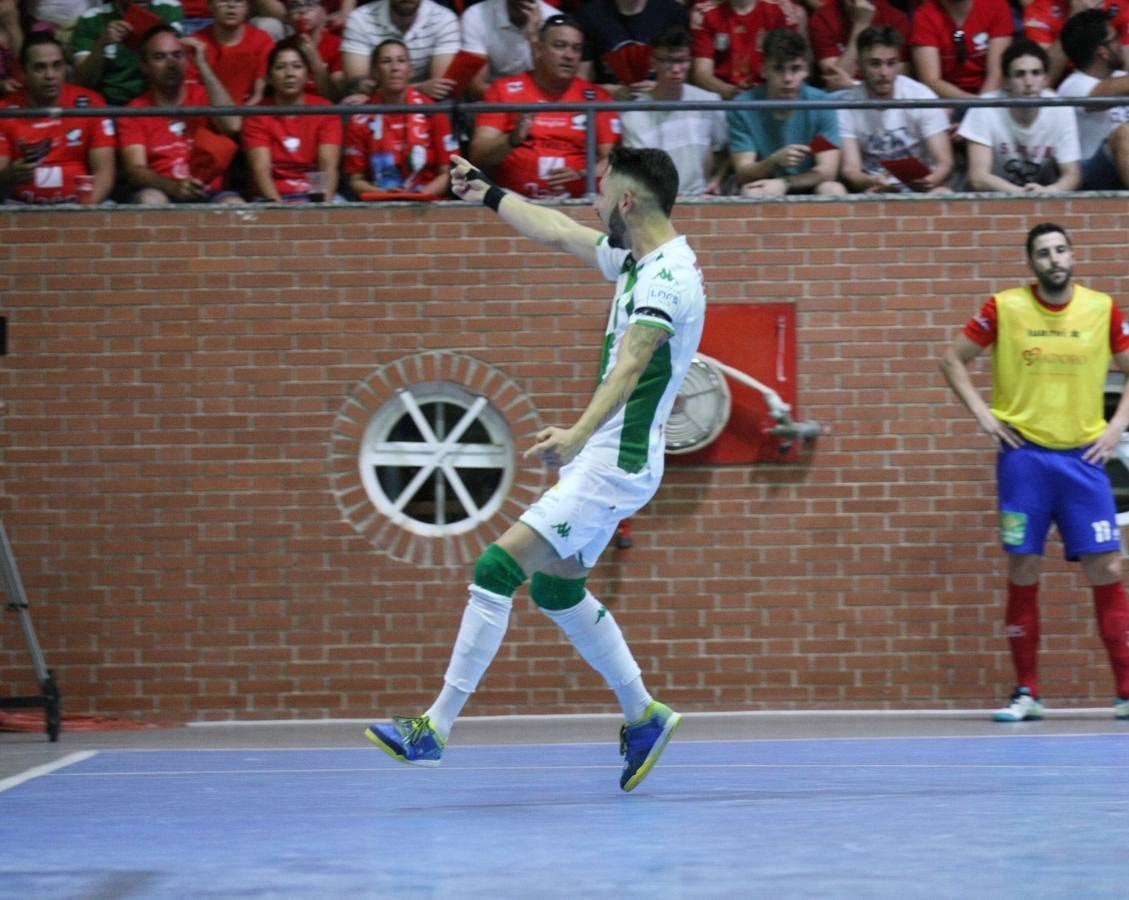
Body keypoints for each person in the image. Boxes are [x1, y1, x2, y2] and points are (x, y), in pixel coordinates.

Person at [365, 144, 706, 791]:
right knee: (554, 589)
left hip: (614, 461)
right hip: (612, 458)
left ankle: (433, 729)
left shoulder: (667, 279)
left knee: (496, 567)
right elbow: (556, 232)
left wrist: (577, 435)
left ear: (628, 202)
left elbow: (633, 362)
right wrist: (487, 193)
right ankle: (644, 716)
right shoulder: (637, 260)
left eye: (601, 190)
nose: (593, 201)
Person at [940, 223, 1129, 723]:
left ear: (1072, 256)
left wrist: (1115, 429)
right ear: (1032, 262)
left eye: (1061, 250)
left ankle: (1127, 692)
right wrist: (985, 417)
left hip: (1084, 460)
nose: (1054, 259)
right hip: (1024, 460)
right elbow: (952, 360)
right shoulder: (1003, 308)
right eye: (1043, 253)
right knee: (1024, 568)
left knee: (1108, 568)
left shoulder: (1102, 309)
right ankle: (1027, 691)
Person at [468, 14, 620, 199]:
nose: (569, 56)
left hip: (576, 204)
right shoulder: (504, 91)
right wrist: (512, 139)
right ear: (539, 49)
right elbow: (478, 155)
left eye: (576, 48)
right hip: (512, 203)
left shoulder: (597, 98)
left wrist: (583, 176)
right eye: (559, 46)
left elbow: (614, 161)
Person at [117, 24, 243, 203]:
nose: (171, 63)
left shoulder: (206, 96)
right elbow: (135, 170)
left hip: (210, 192)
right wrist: (172, 187)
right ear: (144, 66)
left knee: (234, 204)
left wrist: (203, 66)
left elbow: (233, 125)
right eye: (160, 57)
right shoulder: (134, 111)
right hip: (162, 190)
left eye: (177, 55)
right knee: (150, 199)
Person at [0, 31, 116, 204]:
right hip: (19, 207)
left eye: (57, 65)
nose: (50, 75)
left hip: (81, 208)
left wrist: (80, 214)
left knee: (111, 209)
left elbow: (104, 173)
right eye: (40, 67)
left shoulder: (92, 103)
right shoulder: (5, 110)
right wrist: (8, 177)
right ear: (23, 72)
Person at [728, 28, 846, 196]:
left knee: (833, 189)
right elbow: (743, 173)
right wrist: (774, 161)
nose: (788, 78)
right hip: (766, 183)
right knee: (751, 193)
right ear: (763, 69)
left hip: (809, 182)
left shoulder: (822, 103)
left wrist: (785, 183)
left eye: (795, 69)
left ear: (807, 70)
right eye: (778, 69)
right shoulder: (743, 106)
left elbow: (828, 170)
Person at [837, 25, 953, 192]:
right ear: (859, 66)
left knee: (944, 193)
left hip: (921, 185)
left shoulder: (920, 96)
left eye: (891, 63)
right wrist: (871, 181)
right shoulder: (847, 104)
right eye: (875, 64)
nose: (884, 72)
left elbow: (945, 163)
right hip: (874, 185)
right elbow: (850, 170)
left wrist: (930, 180)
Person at [958, 39, 1082, 192]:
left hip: (1044, 197)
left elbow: (1073, 175)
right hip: (993, 198)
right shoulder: (984, 107)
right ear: (1006, 82)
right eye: (1019, 74)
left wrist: (1049, 191)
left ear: (1046, 80)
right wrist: (1021, 194)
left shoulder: (1061, 109)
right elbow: (978, 178)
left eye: (1036, 73)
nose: (1029, 82)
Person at [621, 24, 728, 195]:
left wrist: (717, 180)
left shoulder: (709, 102)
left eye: (682, 61)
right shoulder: (633, 115)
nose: (676, 69)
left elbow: (726, 151)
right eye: (668, 61)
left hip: (703, 201)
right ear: (653, 62)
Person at [343, 38, 455, 197]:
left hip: (428, 201)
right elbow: (356, 179)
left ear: (410, 70)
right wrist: (386, 195)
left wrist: (419, 196)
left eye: (401, 61)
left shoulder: (433, 111)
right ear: (375, 72)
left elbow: (448, 172)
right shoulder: (360, 118)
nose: (395, 68)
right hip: (380, 202)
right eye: (386, 61)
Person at [243, 36, 342, 201]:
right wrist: (280, 210)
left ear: (307, 74)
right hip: (273, 197)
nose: (289, 74)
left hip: (314, 194)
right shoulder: (257, 114)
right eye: (280, 67)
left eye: (297, 67)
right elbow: (261, 169)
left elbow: (327, 166)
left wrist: (323, 208)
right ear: (269, 77)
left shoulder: (325, 110)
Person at [1058, 8, 1129, 189]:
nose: (1121, 44)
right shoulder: (1072, 87)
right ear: (1102, 51)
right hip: (1092, 172)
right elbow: (1101, 93)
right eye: (1116, 39)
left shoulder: (1121, 77)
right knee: (1124, 133)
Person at [72, 0, 186, 105]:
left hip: (159, 101)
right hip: (112, 104)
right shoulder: (92, 19)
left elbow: (177, 68)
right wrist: (102, 44)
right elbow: (83, 82)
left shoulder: (168, 8)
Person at [341, 0, 459, 99]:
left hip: (425, 100)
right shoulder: (360, 18)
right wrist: (418, 88)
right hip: (374, 99)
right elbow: (356, 83)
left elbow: (440, 87)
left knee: (446, 105)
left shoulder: (444, 19)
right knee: (354, 102)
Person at [575, 0, 689, 97]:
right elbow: (581, 82)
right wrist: (613, 91)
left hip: (661, 103)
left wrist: (661, 87)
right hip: (608, 106)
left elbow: (683, 69)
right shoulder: (590, 15)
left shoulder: (672, 13)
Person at [909, 0, 1014, 100]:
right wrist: (973, 104)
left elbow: (996, 73)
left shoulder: (996, 5)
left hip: (992, 95)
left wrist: (982, 107)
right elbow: (931, 80)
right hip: (946, 100)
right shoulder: (924, 16)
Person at [689, 0, 791, 99]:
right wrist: (729, 91)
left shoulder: (776, 11)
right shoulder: (709, 15)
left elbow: (785, 65)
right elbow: (702, 74)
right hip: (724, 97)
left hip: (767, 93)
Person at [459, 0, 559, 100]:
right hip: (491, 103)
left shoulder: (555, 24)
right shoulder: (476, 16)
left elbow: (553, 84)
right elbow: (476, 88)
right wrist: (521, 99)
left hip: (539, 102)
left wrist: (534, 38)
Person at [808, 0, 910, 92]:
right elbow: (834, 82)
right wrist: (861, 24)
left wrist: (854, 85)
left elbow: (896, 80)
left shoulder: (896, 18)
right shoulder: (823, 18)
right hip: (842, 98)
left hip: (886, 97)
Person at [1022, 0, 1129, 85]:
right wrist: (1075, 17)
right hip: (1063, 91)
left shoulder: (1122, 4)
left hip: (1114, 83)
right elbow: (1044, 80)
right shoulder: (1039, 10)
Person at [190, 0, 275, 105]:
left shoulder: (262, 41)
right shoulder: (195, 43)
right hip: (207, 114)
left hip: (251, 115)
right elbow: (192, 94)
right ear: (210, 5)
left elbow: (259, 95)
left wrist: (238, 118)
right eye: (224, 1)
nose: (231, 5)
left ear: (247, 7)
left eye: (238, 1)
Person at [285, 0, 345, 99]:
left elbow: (335, 96)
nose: (302, 11)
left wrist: (315, 61)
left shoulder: (338, 45)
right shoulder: (282, 47)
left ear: (324, 12)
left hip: (323, 109)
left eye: (309, 4)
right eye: (295, 6)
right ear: (288, 16)